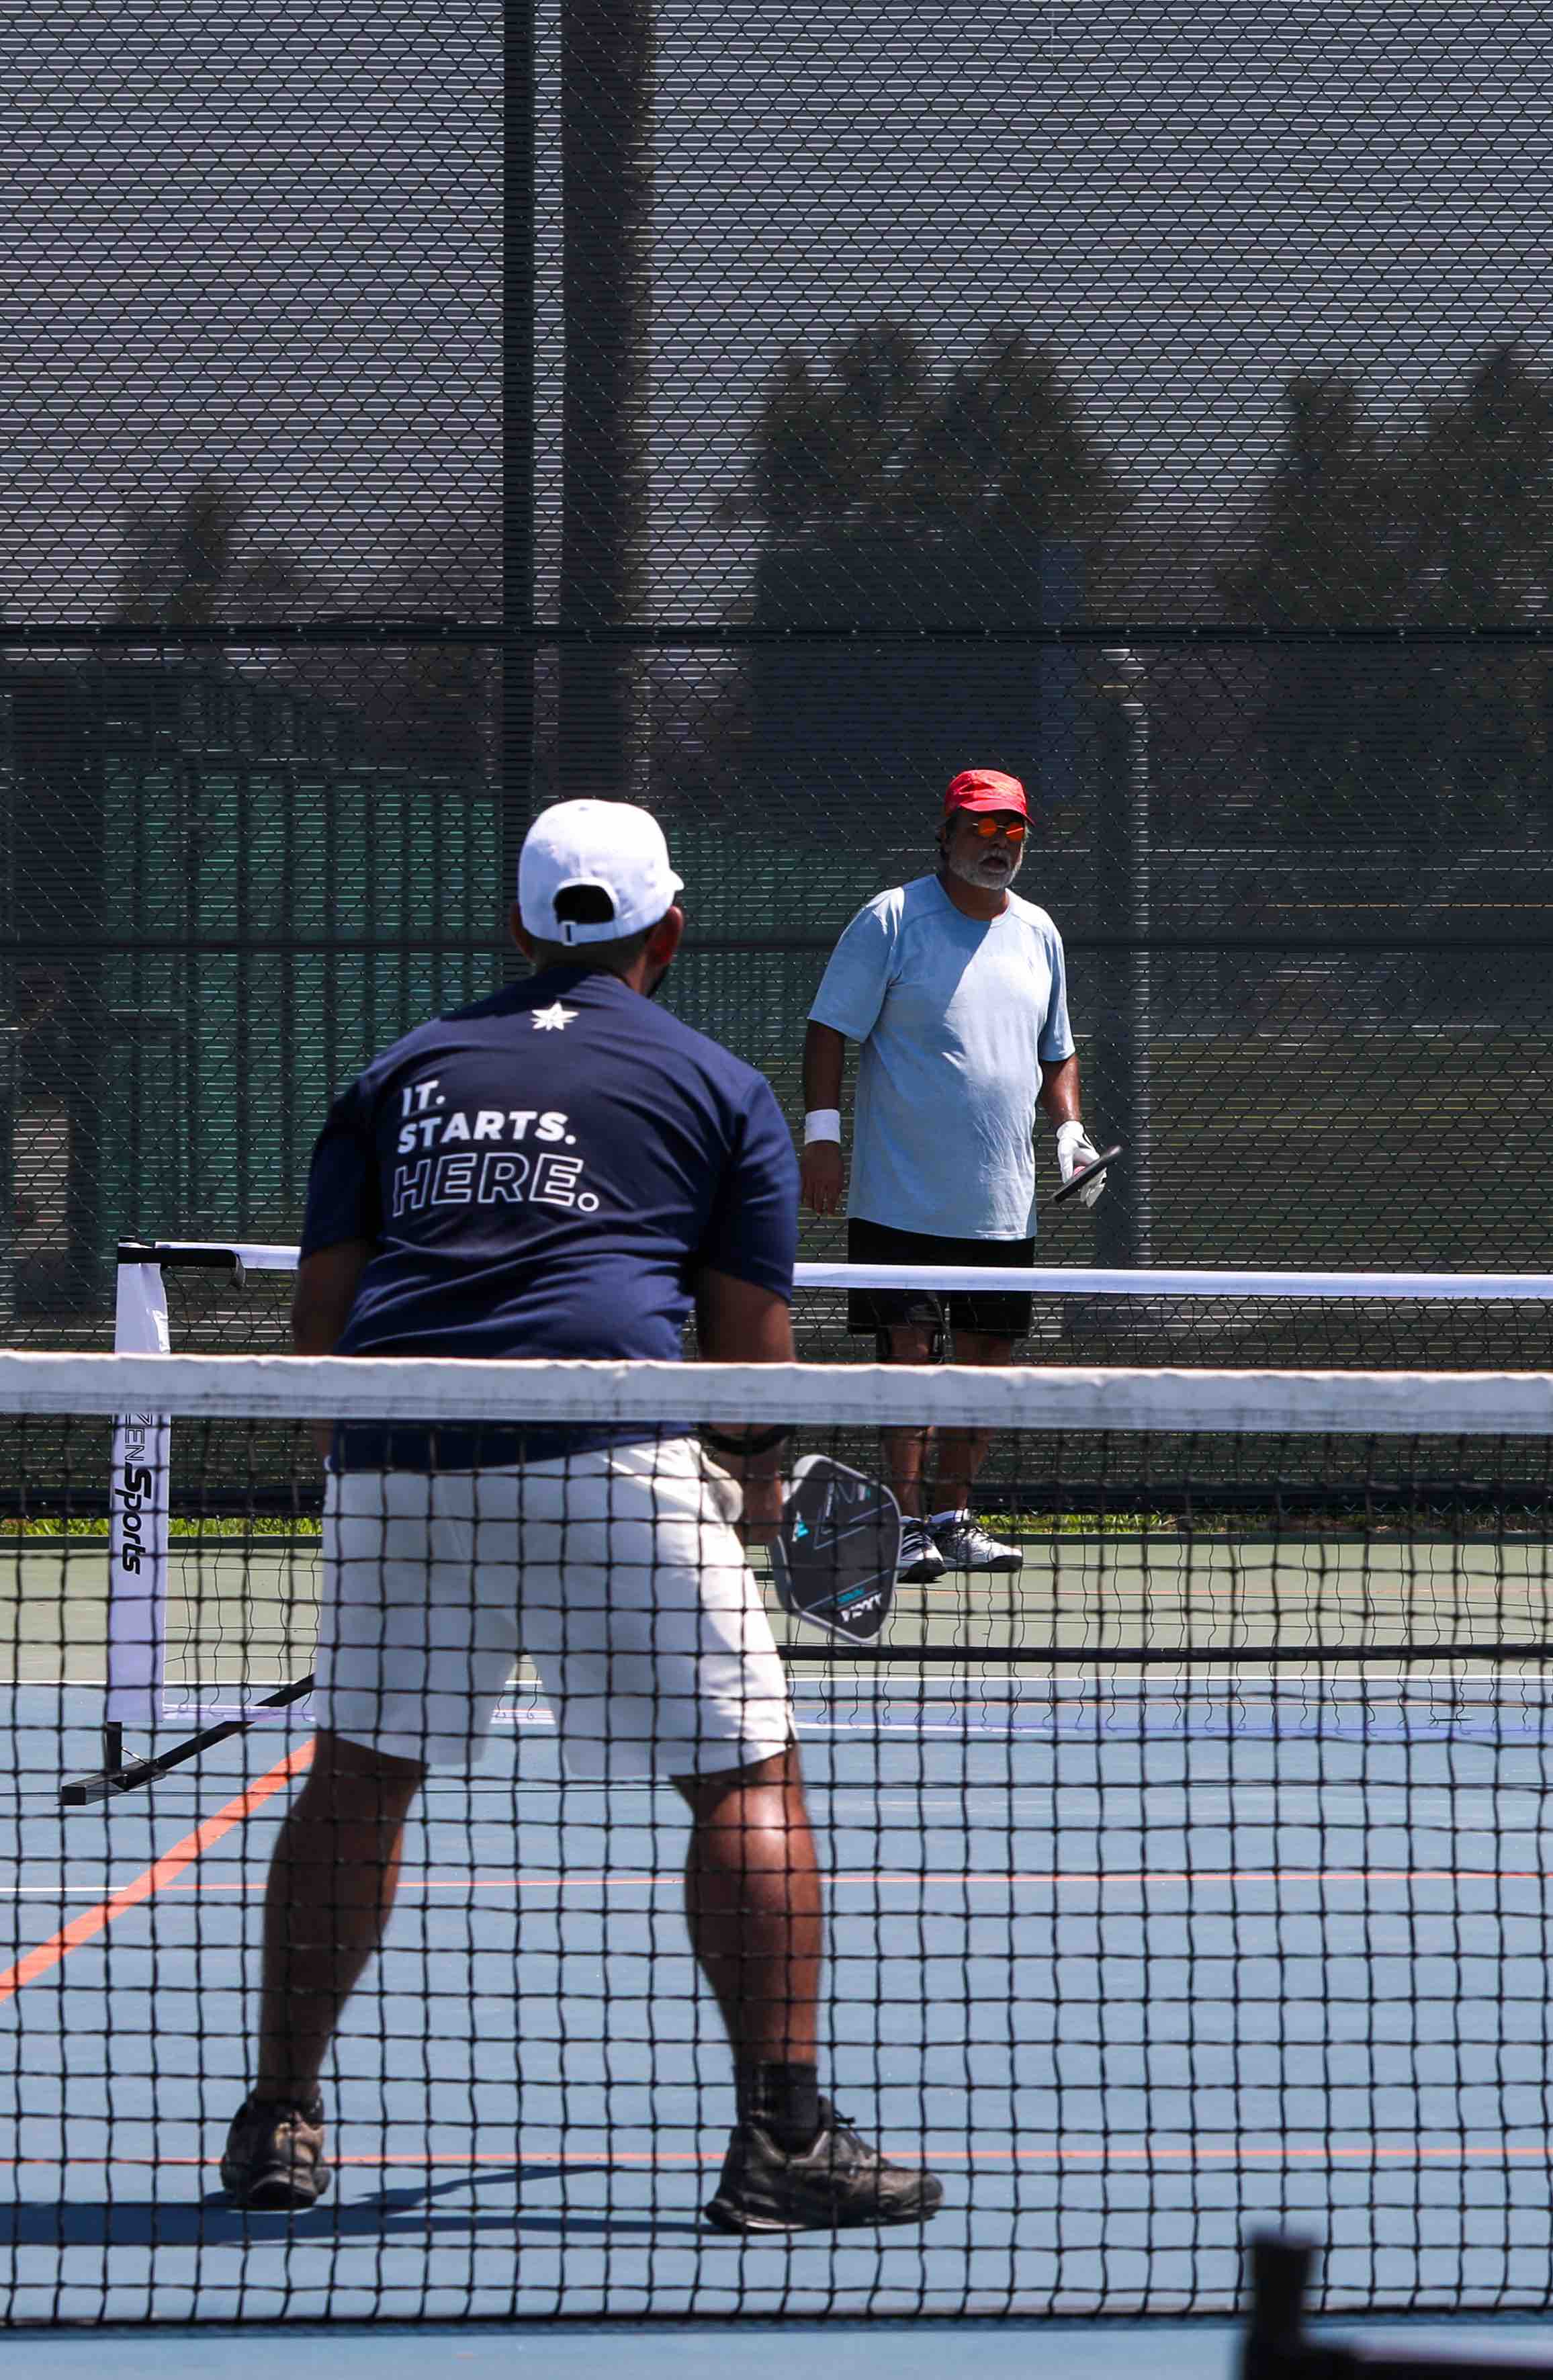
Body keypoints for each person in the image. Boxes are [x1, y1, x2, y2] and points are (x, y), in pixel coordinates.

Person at [226, 799, 940, 2232]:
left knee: (362, 1771)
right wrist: (744, 1468)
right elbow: (747, 1342)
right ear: (667, 930)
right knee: (746, 1780)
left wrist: (385, 1480)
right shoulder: (721, 1085)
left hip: (394, 1443)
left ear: (516, 925)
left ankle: (276, 2119)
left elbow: (322, 1322)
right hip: (605, 1448)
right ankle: (784, 2140)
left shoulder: (394, 1073)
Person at [799, 767, 1104, 1585]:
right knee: (908, 1354)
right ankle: (901, 1525)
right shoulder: (891, 919)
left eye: (1010, 831)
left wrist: (1069, 1131)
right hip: (899, 1198)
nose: (996, 844)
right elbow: (829, 1030)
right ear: (945, 834)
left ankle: (952, 1516)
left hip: (1001, 1207)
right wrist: (821, 1137)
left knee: (983, 1362)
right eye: (979, 829)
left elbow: (1056, 1047)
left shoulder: (1040, 931)